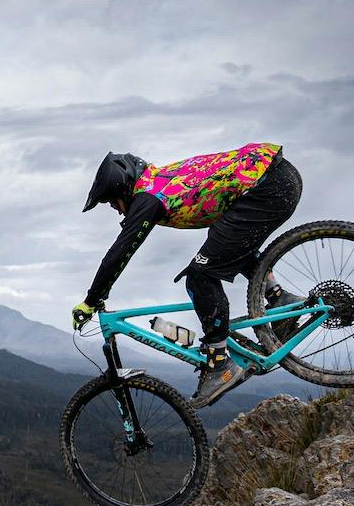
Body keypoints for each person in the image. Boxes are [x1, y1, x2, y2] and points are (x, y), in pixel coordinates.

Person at [71, 141, 303, 408]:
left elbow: (121, 250)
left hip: (268, 186)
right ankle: (279, 298)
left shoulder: (148, 197)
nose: (115, 208)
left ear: (123, 187)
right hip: (278, 177)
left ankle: (220, 365)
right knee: (223, 243)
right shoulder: (160, 182)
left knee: (199, 276)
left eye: (111, 201)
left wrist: (91, 299)